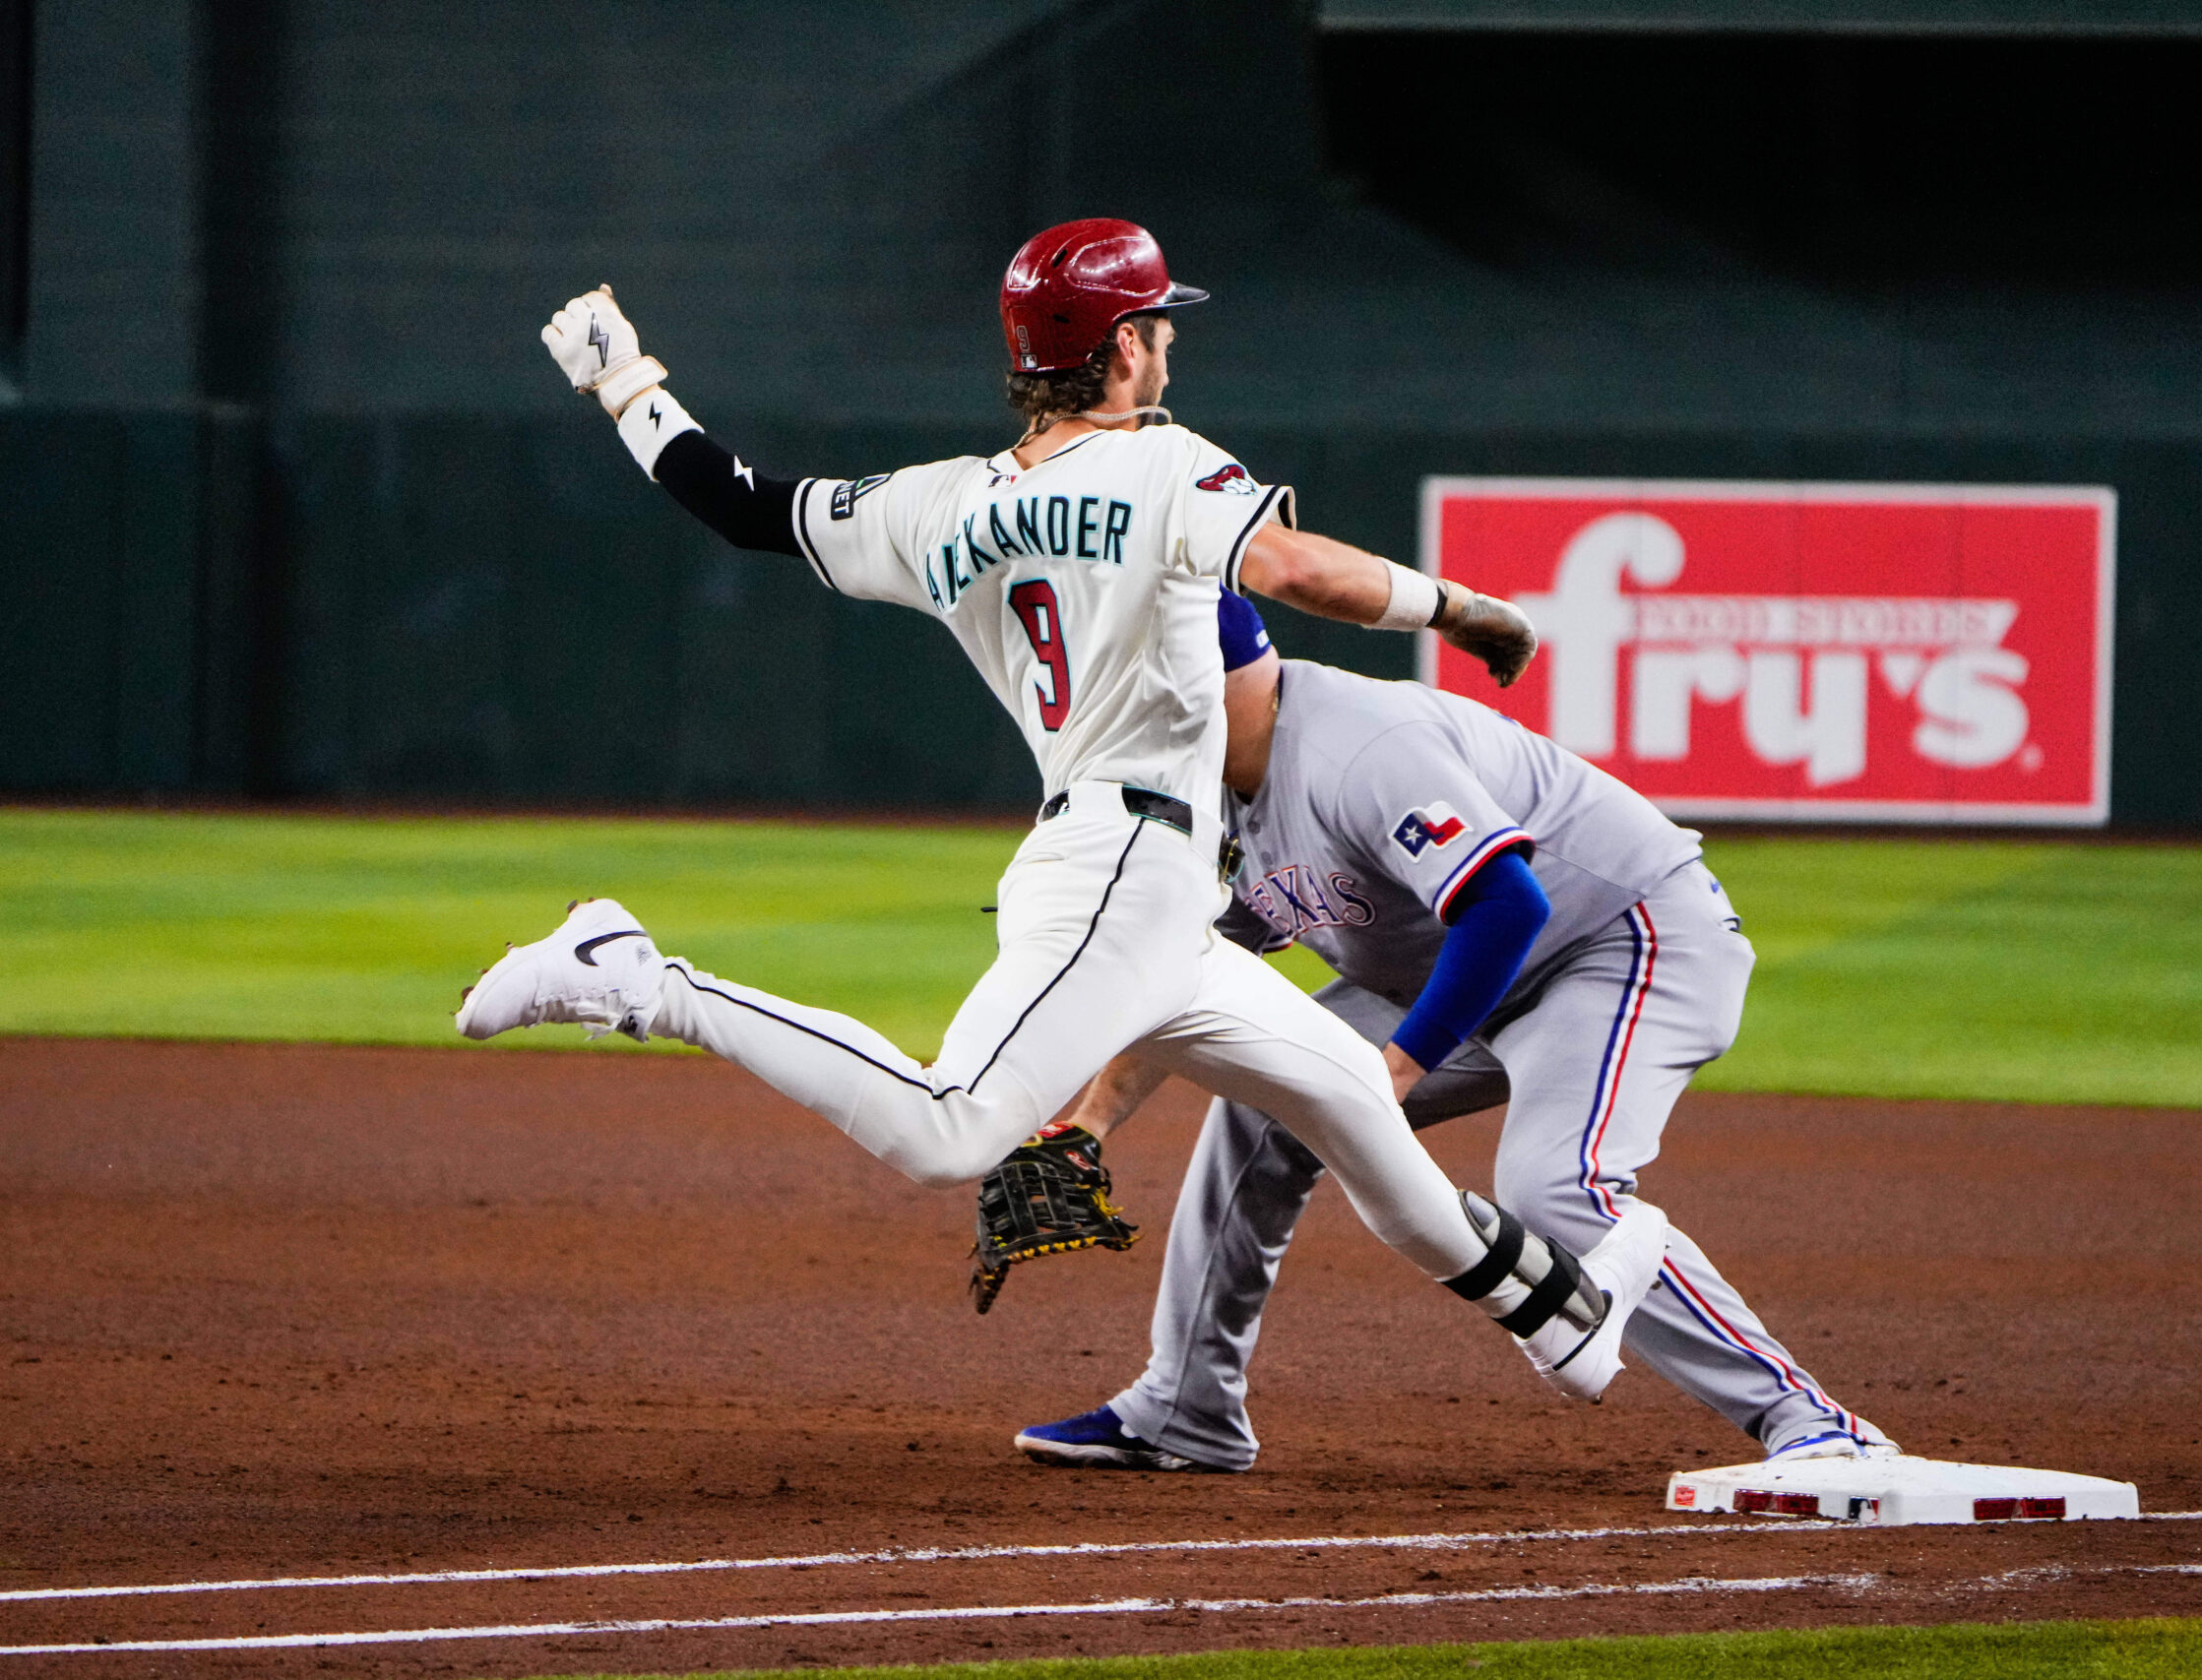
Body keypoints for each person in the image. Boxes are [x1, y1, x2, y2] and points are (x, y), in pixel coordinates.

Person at [454, 219, 1669, 1400]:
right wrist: (1461, 608)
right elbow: (1293, 569)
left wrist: (628, 384)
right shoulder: (1167, 457)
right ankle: (641, 979)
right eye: (1154, 326)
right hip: (1120, 871)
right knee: (950, 1132)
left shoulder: (937, 504)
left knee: (1361, 1111)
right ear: (1123, 346)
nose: (1167, 349)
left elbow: (740, 502)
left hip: (1155, 891)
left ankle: (1563, 1318)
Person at [1006, 592, 1900, 1471]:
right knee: (1265, 1096)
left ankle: (1812, 1421)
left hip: (1621, 939)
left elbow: (1509, 906)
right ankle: (1185, 1408)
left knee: (1554, 1189)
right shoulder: (1197, 795)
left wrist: (1383, 1079)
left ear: (1217, 679)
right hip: (1445, 971)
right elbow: (1178, 969)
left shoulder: (1357, 748)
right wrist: (1087, 1124)